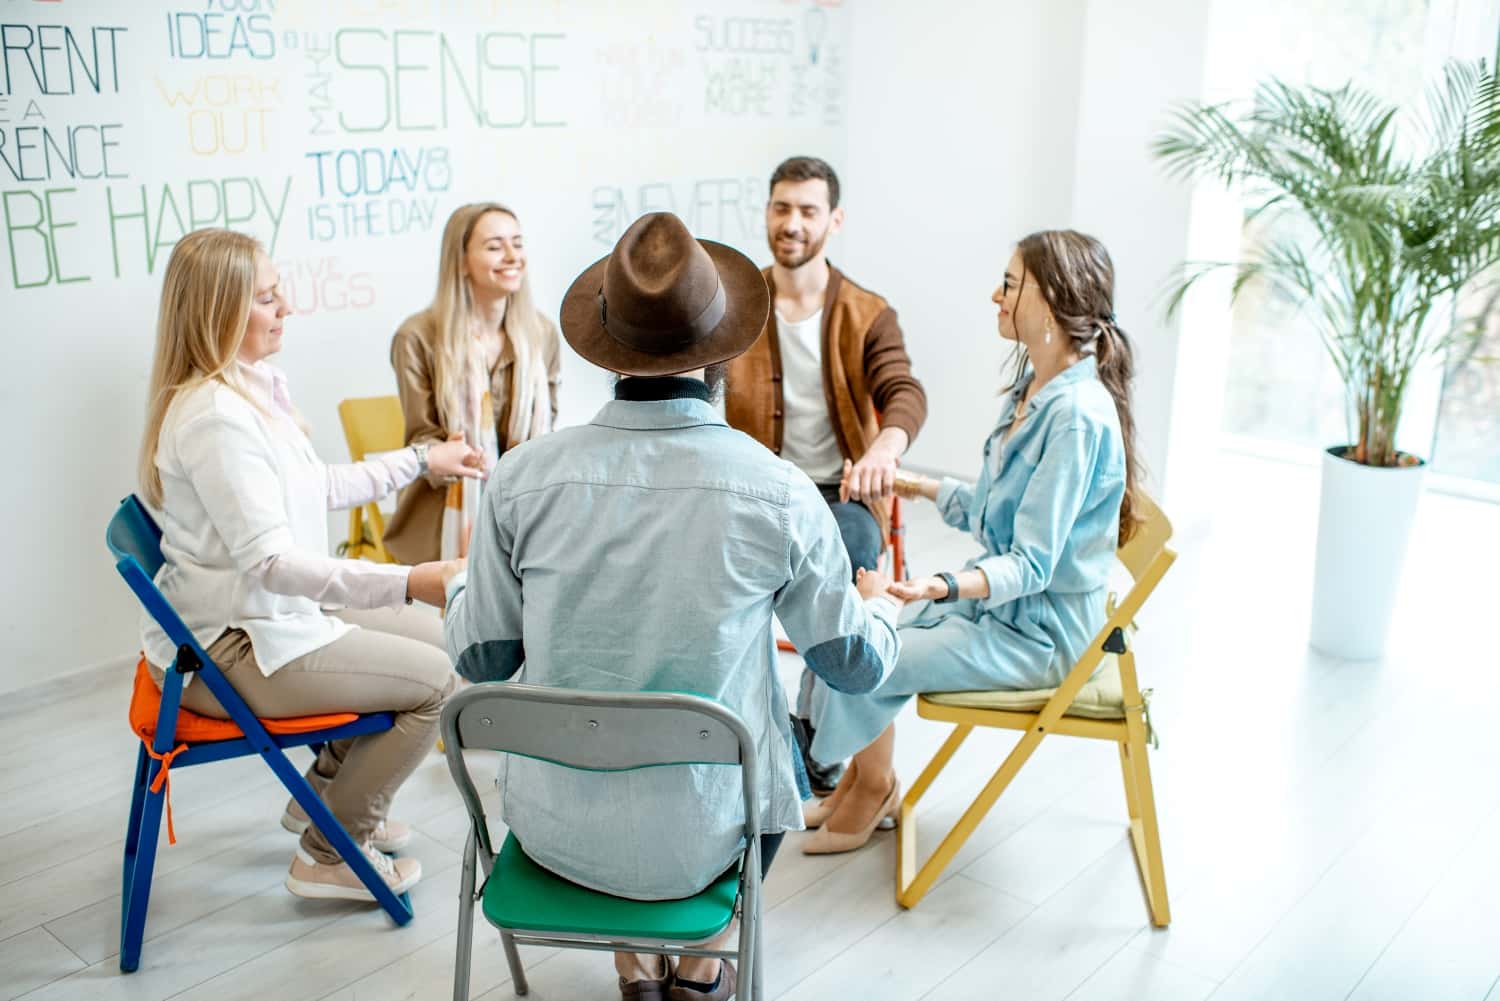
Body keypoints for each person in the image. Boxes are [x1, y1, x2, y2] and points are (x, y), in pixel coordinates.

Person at [443, 212, 905, 1001]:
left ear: (607, 351)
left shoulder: (520, 480)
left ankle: (635, 962)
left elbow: (482, 657)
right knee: (764, 738)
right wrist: (880, 605)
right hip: (706, 839)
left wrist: (460, 587)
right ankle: (699, 965)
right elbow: (852, 666)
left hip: (555, 834)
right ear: (724, 354)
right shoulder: (778, 491)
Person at [137, 228, 480, 900]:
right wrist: (411, 580)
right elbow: (272, 564)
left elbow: (316, 485)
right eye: (267, 298)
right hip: (232, 648)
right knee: (438, 683)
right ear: (220, 311)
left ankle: (323, 796)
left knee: (447, 640)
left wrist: (421, 459)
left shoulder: (246, 391)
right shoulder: (215, 420)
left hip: (267, 618)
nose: (286, 307)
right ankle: (330, 849)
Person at [800, 229, 1144, 855]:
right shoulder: (1035, 390)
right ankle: (862, 781)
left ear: (1050, 300)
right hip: (1004, 613)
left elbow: (1031, 565)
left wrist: (932, 587)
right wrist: (911, 483)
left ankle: (871, 786)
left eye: (1009, 285)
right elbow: (993, 511)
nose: (995, 295)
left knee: (870, 646)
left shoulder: (1074, 417)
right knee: (863, 629)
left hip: (1039, 638)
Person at [725, 155, 927, 795]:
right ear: (767, 212)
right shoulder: (738, 304)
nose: (792, 223)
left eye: (808, 211)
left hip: (840, 492)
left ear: (834, 220)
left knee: (849, 559)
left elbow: (902, 390)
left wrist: (884, 449)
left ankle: (814, 735)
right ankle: (737, 721)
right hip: (753, 489)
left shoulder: (867, 311)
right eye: (782, 208)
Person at [383, 202, 562, 564]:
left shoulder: (541, 333)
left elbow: (547, 433)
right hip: (444, 519)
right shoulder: (416, 337)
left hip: (528, 512)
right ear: (461, 261)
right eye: (495, 246)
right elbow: (423, 440)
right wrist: (455, 456)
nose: (512, 256)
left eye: (518, 243)